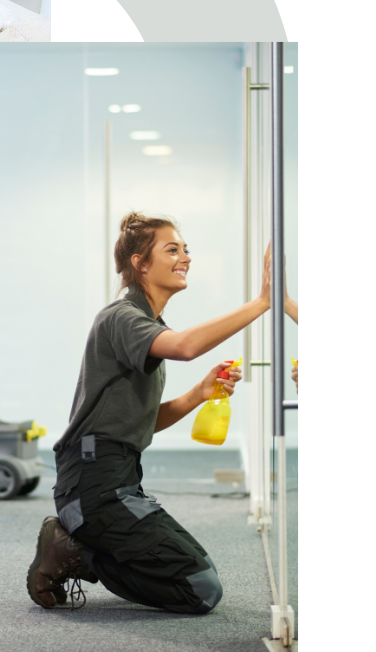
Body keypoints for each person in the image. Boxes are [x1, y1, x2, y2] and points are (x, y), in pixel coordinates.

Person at [26, 213, 272, 613]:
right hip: (92, 486)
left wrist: (198, 394)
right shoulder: (122, 317)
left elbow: (136, 421)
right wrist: (262, 303)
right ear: (140, 263)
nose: (185, 257)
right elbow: (187, 346)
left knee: (201, 573)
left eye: (186, 249)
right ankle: (73, 550)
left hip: (119, 480)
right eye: (171, 249)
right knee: (200, 590)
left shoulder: (147, 322)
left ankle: (80, 544)